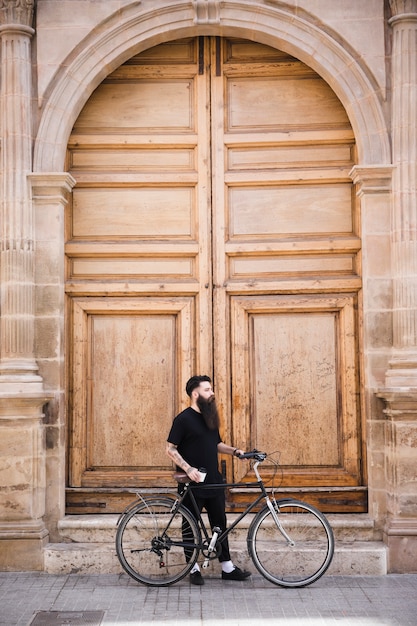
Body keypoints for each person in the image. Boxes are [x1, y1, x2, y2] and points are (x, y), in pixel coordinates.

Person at [166, 374, 251, 585]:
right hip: (192, 482)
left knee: (219, 524)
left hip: (213, 479)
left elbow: (216, 444)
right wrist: (188, 468)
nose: (212, 393)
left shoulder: (210, 417)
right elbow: (170, 449)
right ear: (195, 394)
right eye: (207, 390)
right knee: (190, 524)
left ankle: (227, 567)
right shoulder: (183, 419)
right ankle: (192, 568)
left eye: (211, 389)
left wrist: (235, 452)